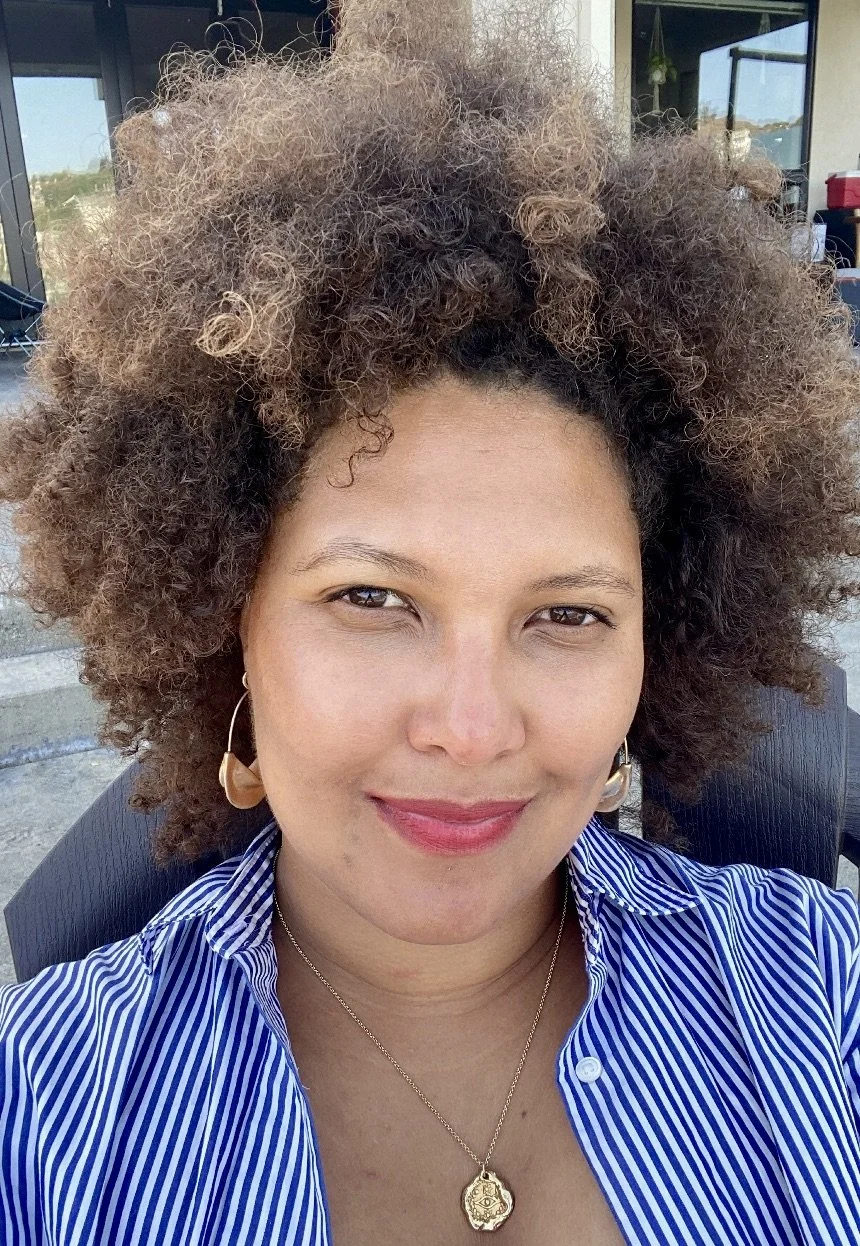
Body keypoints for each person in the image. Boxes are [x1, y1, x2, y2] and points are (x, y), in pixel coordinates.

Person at [1, 1, 859, 1242]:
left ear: (659, 640)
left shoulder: (818, 1000)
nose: (470, 727)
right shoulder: (46, 1113)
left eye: (565, 613)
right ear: (224, 619)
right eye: (371, 598)